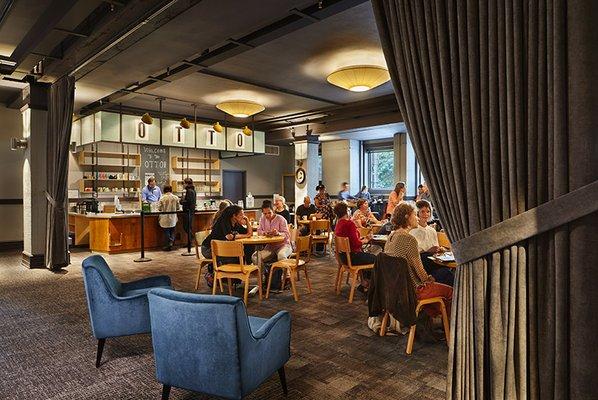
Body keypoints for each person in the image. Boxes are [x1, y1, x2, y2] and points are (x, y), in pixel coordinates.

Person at [384, 203, 452, 318]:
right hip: (413, 288)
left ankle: (426, 319)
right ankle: (450, 327)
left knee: (442, 277)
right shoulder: (409, 239)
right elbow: (419, 270)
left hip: (394, 287)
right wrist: (429, 279)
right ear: (407, 217)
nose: (417, 218)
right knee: (450, 291)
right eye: (415, 214)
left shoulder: (391, 236)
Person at [201, 205, 254, 284]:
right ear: (234, 216)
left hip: (223, 249)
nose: (243, 216)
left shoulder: (236, 223)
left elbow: (249, 233)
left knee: (243, 252)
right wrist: (245, 235)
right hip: (209, 249)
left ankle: (232, 281)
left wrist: (247, 221)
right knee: (236, 258)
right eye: (241, 214)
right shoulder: (223, 221)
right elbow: (229, 237)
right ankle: (213, 275)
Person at [410, 200, 453, 286]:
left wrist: (440, 249)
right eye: (422, 211)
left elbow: (435, 246)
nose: (425, 214)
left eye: (428, 211)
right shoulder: (413, 230)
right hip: (421, 260)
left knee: (446, 270)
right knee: (445, 271)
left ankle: (437, 282)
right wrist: (428, 250)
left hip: (434, 259)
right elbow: (413, 253)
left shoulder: (432, 230)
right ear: (417, 213)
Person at [334, 202, 376, 290]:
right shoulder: (349, 224)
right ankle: (370, 286)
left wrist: (361, 239)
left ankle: (364, 283)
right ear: (346, 212)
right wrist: (367, 239)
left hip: (343, 257)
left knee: (367, 256)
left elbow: (350, 241)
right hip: (353, 257)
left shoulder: (338, 224)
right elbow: (356, 244)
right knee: (377, 259)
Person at [253, 202, 293, 270]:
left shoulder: (281, 219)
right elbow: (259, 231)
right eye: (265, 213)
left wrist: (278, 233)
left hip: (284, 245)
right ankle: (265, 274)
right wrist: (265, 233)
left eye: (269, 213)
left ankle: (286, 276)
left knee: (281, 255)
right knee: (255, 257)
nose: (267, 215)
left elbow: (287, 235)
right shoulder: (262, 219)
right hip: (270, 247)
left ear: (273, 210)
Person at [157, 185, 179, 251]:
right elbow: (178, 208)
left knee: (166, 231)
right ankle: (171, 242)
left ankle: (168, 244)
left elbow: (159, 208)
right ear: (171, 190)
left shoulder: (162, 198)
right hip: (173, 217)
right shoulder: (176, 197)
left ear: (164, 190)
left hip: (165, 217)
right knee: (172, 230)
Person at [179, 178, 197, 247]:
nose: (183, 185)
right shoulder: (193, 190)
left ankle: (191, 239)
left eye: (183, 183)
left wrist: (181, 201)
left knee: (186, 227)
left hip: (188, 211)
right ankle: (190, 242)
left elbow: (188, 202)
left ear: (186, 183)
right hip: (191, 211)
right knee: (188, 227)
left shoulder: (189, 191)